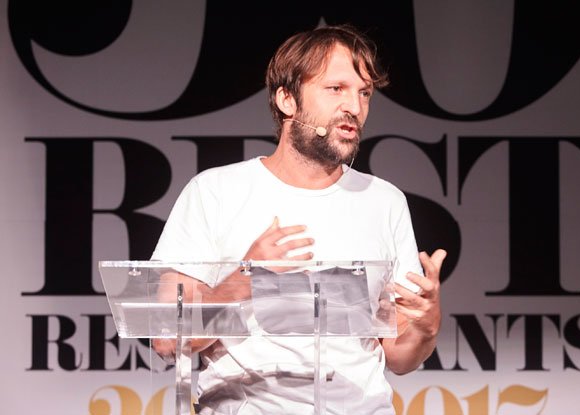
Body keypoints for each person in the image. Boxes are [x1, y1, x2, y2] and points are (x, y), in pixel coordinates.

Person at [150, 25, 446, 414]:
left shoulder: (384, 200)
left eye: (364, 93)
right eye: (336, 88)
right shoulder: (215, 192)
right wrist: (243, 281)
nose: (355, 107)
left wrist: (426, 327)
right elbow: (167, 339)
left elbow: (400, 357)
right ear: (287, 100)